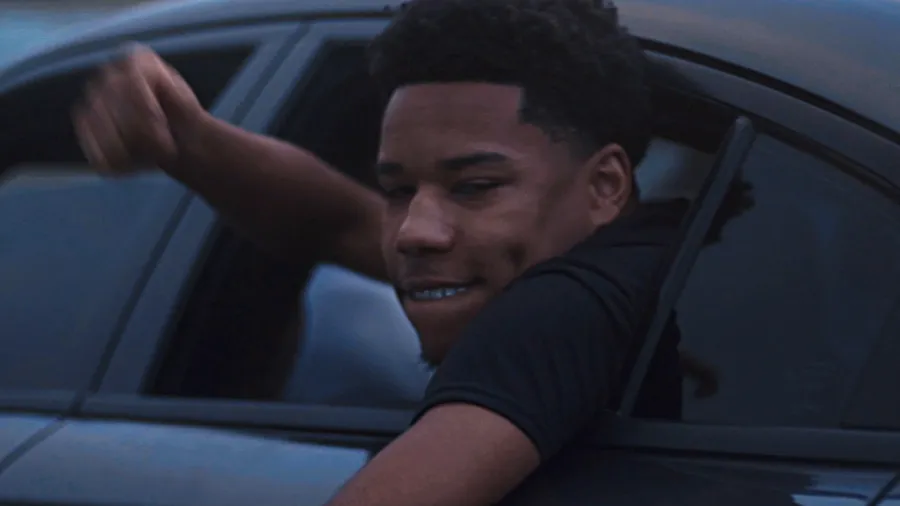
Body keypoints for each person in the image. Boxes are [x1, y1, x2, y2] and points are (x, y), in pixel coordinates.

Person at [72, 0, 684, 504]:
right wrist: (186, 137)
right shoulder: (675, 259)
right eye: (398, 190)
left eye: (474, 186)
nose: (414, 231)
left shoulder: (555, 310)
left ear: (605, 185)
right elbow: (335, 221)